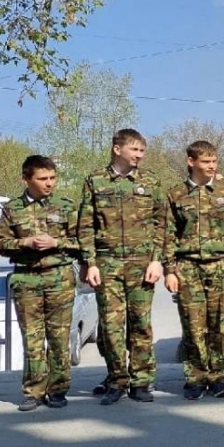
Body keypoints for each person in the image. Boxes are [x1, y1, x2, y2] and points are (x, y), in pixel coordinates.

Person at [77, 128, 166, 406]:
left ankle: (140, 381)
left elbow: (162, 224)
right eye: (135, 150)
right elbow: (86, 225)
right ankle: (117, 380)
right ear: (118, 149)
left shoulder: (151, 182)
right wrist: (89, 263)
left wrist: (157, 260)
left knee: (140, 324)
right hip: (107, 265)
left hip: (142, 265)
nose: (139, 155)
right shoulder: (96, 181)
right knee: (112, 327)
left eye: (142, 151)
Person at [0, 155, 79, 411]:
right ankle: (33, 391)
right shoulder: (12, 208)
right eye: (42, 179)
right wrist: (25, 243)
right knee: (32, 338)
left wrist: (57, 243)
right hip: (27, 278)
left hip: (59, 277)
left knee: (58, 337)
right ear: (26, 179)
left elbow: (82, 242)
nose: (49, 183)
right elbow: (0, 244)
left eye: (52, 178)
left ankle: (58, 389)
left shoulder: (65, 205)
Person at [165, 140, 224, 400]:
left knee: (220, 326)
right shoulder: (175, 194)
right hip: (187, 267)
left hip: (221, 266)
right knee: (193, 326)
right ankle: (196, 378)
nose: (211, 166)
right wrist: (169, 270)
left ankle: (220, 378)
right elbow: (167, 234)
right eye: (206, 162)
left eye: (214, 161)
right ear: (191, 162)